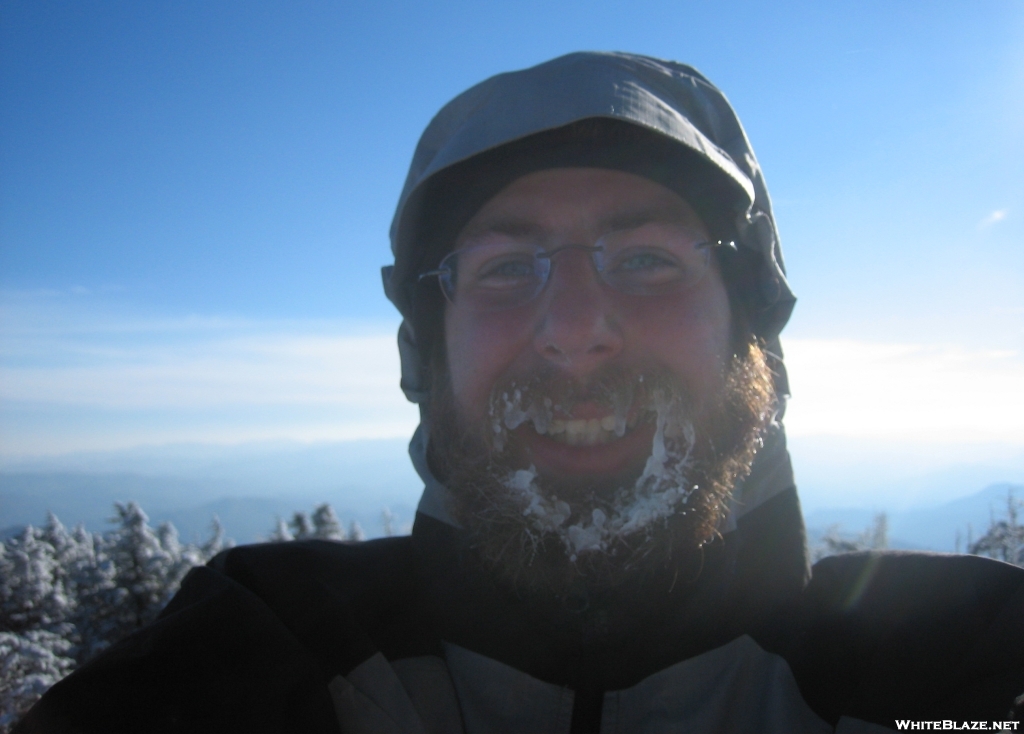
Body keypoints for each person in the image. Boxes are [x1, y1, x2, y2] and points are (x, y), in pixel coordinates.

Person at [17, 52, 1024, 734]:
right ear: (428, 350)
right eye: (505, 270)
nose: (575, 331)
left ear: (748, 325)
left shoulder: (945, 664)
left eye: (644, 260)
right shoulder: (279, 651)